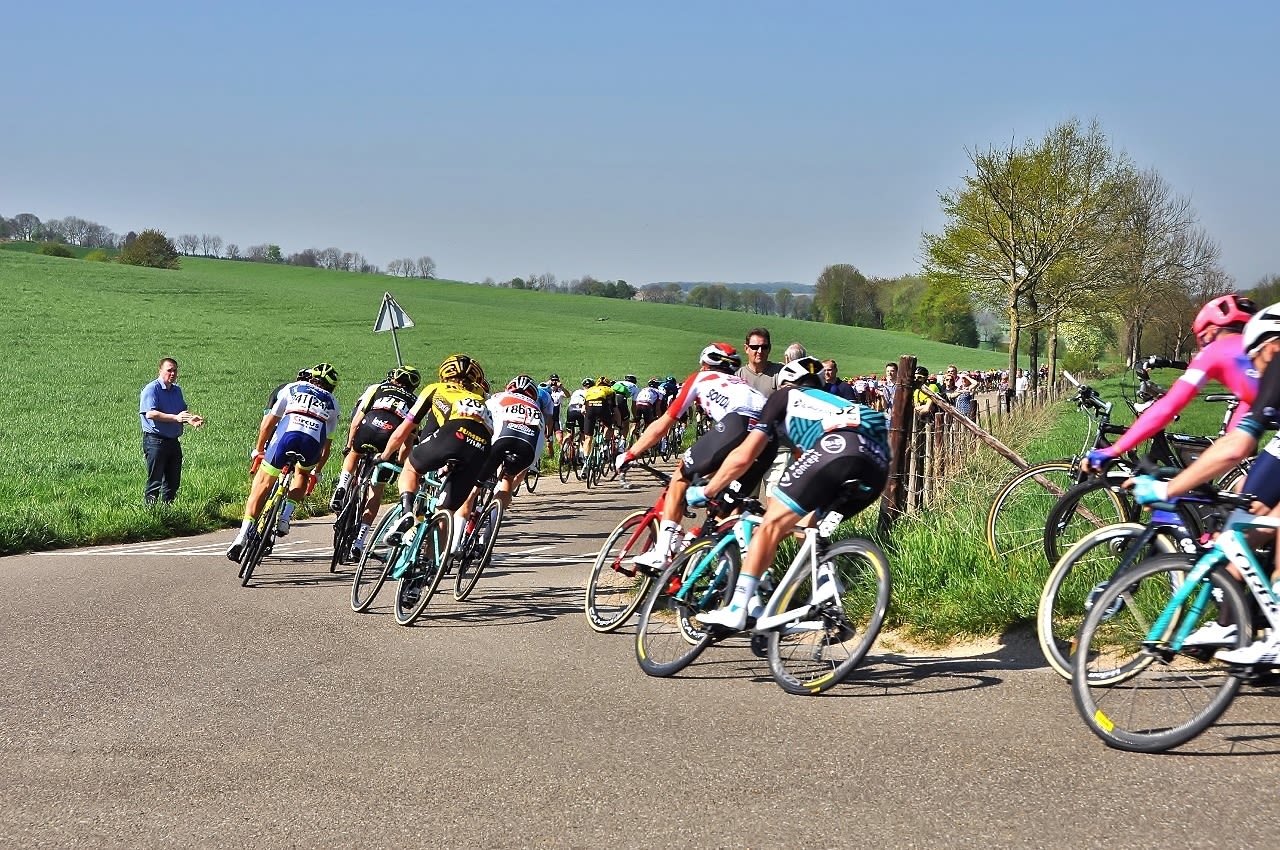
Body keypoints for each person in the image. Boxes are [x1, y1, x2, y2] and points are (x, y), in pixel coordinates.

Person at [688, 356, 890, 630]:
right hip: (877, 466)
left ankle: (736, 608)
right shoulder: (831, 405)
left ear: (785, 382)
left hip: (839, 447)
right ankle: (826, 598)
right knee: (808, 528)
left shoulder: (785, 395)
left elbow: (745, 455)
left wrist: (707, 490)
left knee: (770, 524)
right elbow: (806, 463)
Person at [1129, 303, 1280, 665]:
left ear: (1268, 345)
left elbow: (1238, 445)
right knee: (1254, 512)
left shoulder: (1277, 360)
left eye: (1255, 360)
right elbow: (1243, 439)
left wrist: (1168, 489)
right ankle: (1236, 620)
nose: (1256, 373)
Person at [616, 343, 774, 573]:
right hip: (768, 440)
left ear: (704, 364)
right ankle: (722, 568)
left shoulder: (701, 378)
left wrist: (631, 453)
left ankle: (662, 553)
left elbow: (663, 424)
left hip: (738, 426)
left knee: (681, 476)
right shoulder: (742, 384)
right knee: (725, 508)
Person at [1085, 293, 1258, 473]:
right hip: (1260, 417)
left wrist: (1114, 450)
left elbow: (1167, 407)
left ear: (1210, 330)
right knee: (1243, 481)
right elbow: (1235, 447)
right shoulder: (1262, 355)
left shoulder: (1214, 351)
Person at [379, 354, 494, 552]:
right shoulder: (480, 398)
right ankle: (428, 571)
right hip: (481, 448)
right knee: (445, 512)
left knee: (411, 469)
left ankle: (407, 513)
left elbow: (403, 430)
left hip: (454, 434)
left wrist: (384, 456)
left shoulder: (436, 389)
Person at [226, 363, 340, 561]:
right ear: (332, 386)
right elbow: (326, 447)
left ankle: (241, 537)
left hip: (286, 437)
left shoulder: (291, 388)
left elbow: (268, 423)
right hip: (311, 444)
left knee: (262, 483)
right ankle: (286, 517)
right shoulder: (333, 402)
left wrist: (259, 450)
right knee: (302, 474)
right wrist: (317, 471)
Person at [330, 365, 423, 561]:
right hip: (390, 437)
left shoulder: (377, 387)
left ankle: (342, 486)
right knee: (376, 490)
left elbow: (356, 420)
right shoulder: (416, 401)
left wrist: (349, 445)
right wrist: (398, 463)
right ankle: (359, 542)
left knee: (354, 452)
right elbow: (408, 440)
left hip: (369, 426)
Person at [140, 357, 204, 505]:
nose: (173, 373)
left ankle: (167, 512)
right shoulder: (152, 389)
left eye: (175, 370)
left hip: (173, 441)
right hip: (155, 441)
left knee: (172, 482)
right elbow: (151, 413)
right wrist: (176, 418)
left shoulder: (177, 390)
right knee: (155, 481)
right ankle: (151, 514)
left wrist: (189, 419)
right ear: (160, 371)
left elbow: (181, 411)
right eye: (169, 370)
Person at [735, 327, 782, 396]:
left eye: (764, 347)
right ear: (746, 349)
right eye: (755, 347)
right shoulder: (737, 376)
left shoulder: (780, 373)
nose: (759, 351)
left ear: (769, 349)